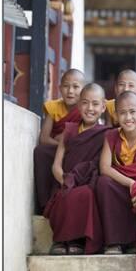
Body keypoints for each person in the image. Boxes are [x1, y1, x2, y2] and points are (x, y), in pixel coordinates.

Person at [44, 83, 108, 255]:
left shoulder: (106, 134)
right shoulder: (69, 130)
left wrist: (78, 182)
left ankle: (77, 240)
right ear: (79, 105)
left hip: (88, 184)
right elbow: (56, 164)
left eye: (95, 104)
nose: (90, 108)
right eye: (85, 103)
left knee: (85, 194)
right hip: (65, 181)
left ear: (103, 107)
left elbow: (100, 165)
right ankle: (61, 239)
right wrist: (64, 181)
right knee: (65, 194)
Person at [96, 91, 136, 254]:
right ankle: (113, 242)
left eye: (132, 112)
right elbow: (105, 168)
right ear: (116, 115)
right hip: (122, 186)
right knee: (103, 183)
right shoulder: (111, 136)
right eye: (122, 113)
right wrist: (131, 183)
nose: (128, 117)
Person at [33, 69, 85, 213]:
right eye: (66, 86)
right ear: (59, 88)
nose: (70, 91)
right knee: (41, 152)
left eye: (75, 87)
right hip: (56, 149)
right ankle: (44, 203)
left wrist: (67, 141)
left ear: (83, 89)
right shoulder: (53, 107)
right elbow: (44, 139)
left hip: (75, 150)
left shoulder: (85, 109)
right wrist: (61, 143)